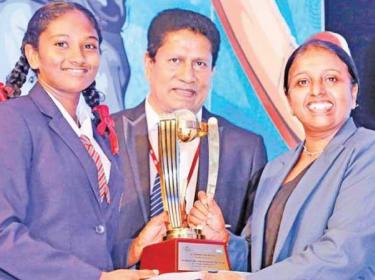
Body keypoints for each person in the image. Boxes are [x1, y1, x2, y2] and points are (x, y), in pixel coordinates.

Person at [190, 32, 375, 279]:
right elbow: (256, 259)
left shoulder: (367, 152)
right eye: (302, 82)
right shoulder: (275, 170)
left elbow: (345, 254)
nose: (317, 91)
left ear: (353, 92)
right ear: (289, 101)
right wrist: (223, 241)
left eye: (331, 79)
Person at [0, 2, 158, 279]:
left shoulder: (94, 134)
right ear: (32, 55)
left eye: (89, 45)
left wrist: (133, 249)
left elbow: (89, 244)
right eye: (61, 44)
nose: (78, 56)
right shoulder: (12, 119)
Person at [111, 8, 267, 267]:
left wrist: (225, 240)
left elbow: (258, 254)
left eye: (200, 64)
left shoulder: (245, 149)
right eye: (175, 60)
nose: (187, 76)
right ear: (149, 63)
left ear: (213, 71)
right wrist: (133, 249)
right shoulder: (106, 134)